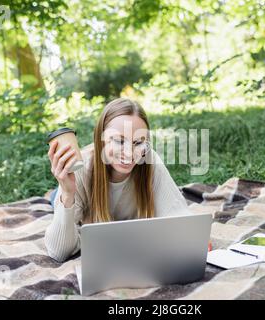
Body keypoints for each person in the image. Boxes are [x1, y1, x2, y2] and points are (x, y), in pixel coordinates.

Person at [45, 98, 192, 262]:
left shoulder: (149, 161)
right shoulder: (82, 169)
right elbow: (58, 252)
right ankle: (54, 194)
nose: (129, 154)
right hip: (76, 190)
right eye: (119, 141)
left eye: (137, 143)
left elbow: (179, 217)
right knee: (56, 200)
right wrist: (67, 193)